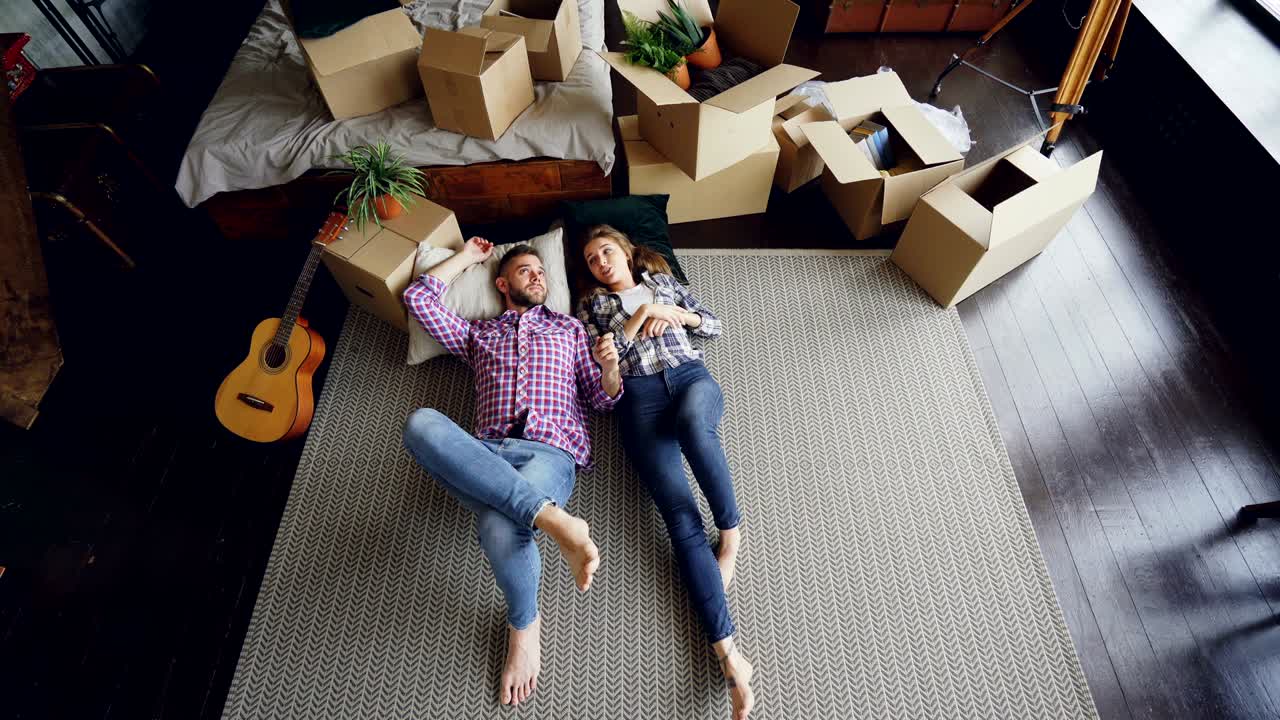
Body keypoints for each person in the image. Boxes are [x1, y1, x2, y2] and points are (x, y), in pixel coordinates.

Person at [401, 237, 623, 707]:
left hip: (550, 453)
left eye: (540, 271)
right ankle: (552, 519)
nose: (537, 276)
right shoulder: (478, 335)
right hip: (485, 451)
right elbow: (418, 299)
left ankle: (524, 626)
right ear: (502, 284)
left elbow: (603, 400)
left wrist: (609, 370)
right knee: (420, 422)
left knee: (498, 524)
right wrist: (466, 257)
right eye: (525, 271)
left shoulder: (569, 330)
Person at [576, 225, 756, 720]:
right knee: (678, 518)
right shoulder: (591, 308)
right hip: (639, 401)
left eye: (606, 251)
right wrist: (637, 322)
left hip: (689, 377)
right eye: (591, 259)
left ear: (627, 251)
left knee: (698, 429)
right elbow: (602, 381)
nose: (600, 262)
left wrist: (666, 310)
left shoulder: (662, 280)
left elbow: (712, 326)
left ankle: (732, 537)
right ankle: (730, 657)